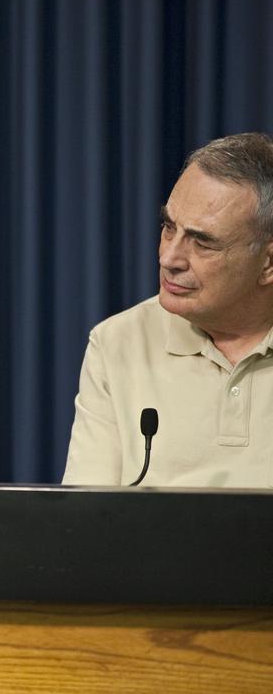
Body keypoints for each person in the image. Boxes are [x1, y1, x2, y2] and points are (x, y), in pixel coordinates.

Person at [63, 133, 273, 487]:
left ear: (267, 264)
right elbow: (86, 513)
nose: (169, 258)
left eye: (202, 243)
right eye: (168, 227)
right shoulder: (117, 343)